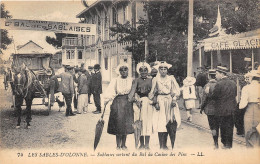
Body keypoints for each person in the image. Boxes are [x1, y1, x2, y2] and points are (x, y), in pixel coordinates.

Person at [149, 61, 181, 150]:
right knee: (160, 123)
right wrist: (155, 103)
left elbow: (176, 90)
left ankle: (167, 144)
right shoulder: (155, 79)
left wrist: (174, 99)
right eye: (161, 69)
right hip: (160, 101)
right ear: (159, 70)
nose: (163, 71)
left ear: (167, 70)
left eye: (165, 69)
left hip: (169, 102)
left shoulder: (171, 78)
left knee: (169, 122)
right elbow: (152, 92)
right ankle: (161, 145)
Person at [103, 63, 134, 150]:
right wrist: (107, 100)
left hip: (128, 103)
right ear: (119, 71)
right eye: (122, 70)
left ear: (128, 70)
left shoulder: (131, 80)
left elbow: (134, 92)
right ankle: (118, 145)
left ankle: (124, 144)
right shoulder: (115, 80)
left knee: (126, 124)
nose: (124, 71)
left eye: (125, 69)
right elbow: (110, 91)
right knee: (118, 123)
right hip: (118, 103)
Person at [128, 62, 153, 150]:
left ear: (148, 71)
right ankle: (141, 144)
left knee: (148, 123)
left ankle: (147, 144)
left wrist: (153, 101)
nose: (143, 73)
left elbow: (154, 91)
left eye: (145, 71)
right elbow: (133, 92)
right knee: (140, 122)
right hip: (139, 103)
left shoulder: (151, 80)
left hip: (149, 103)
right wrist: (135, 99)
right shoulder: (136, 80)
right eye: (141, 71)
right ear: (139, 72)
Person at [211, 66, 237, 149]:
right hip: (232, 109)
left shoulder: (219, 84)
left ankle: (225, 143)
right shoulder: (233, 83)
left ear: (222, 74)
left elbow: (214, 96)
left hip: (221, 109)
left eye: (217, 74)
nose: (215, 76)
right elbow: (235, 94)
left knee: (223, 127)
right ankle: (229, 144)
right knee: (230, 127)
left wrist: (209, 93)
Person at [239, 69, 260, 148]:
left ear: (252, 78)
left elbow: (242, 105)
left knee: (249, 133)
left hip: (250, 110)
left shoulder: (247, 88)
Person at [200, 69, 218, 149]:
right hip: (219, 109)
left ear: (209, 76)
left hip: (210, 110)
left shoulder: (207, 86)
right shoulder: (219, 84)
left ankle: (216, 143)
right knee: (217, 126)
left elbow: (204, 99)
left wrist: (201, 108)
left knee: (213, 127)